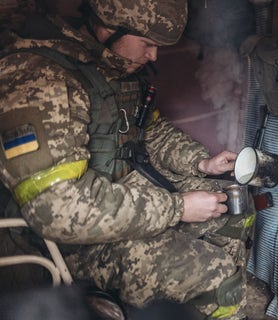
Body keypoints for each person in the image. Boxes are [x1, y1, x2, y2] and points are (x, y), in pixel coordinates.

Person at [0, 0, 255, 319]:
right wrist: (177, 208)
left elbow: (149, 129)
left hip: (117, 205)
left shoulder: (108, 64)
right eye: (147, 44)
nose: (153, 56)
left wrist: (201, 163)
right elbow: (58, 210)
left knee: (232, 207)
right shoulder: (40, 79)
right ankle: (204, 293)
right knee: (215, 273)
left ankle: (187, 304)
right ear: (109, 28)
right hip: (57, 243)